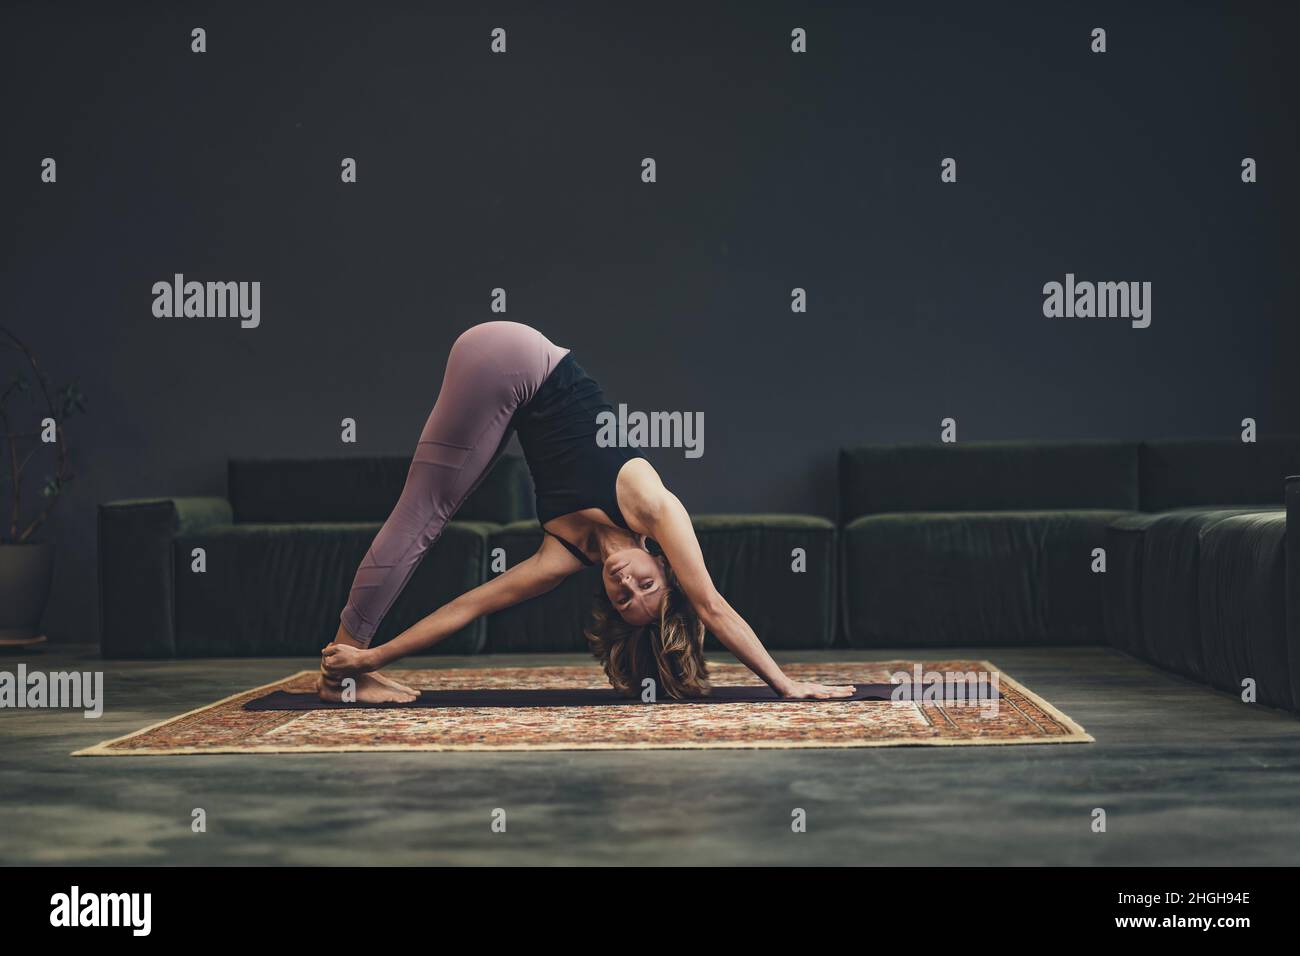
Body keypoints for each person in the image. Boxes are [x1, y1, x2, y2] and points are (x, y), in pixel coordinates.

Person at [319, 321, 853, 704]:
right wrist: (783, 684)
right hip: (515, 360)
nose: (629, 584)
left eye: (625, 599)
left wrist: (376, 659)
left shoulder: (561, 556)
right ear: (663, 567)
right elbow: (710, 606)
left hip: (508, 368)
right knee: (426, 514)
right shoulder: (652, 506)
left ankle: (350, 662)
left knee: (428, 512)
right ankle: (340, 665)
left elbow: (468, 608)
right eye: (648, 586)